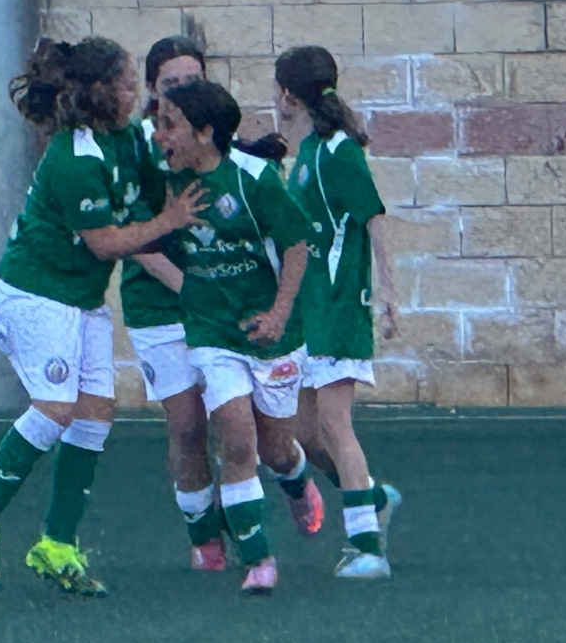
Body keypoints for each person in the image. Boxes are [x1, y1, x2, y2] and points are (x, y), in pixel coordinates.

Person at [0, 37, 208, 595]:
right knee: (57, 407)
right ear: (98, 92)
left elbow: (162, 175)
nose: (134, 92)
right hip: (35, 293)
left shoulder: (127, 140)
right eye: (125, 83)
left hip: (81, 299)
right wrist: (169, 221)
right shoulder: (73, 157)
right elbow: (105, 242)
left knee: (95, 414)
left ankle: (57, 543)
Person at [123, 36, 322, 572]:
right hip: (161, 307)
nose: (181, 91)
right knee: (191, 426)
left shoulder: (224, 154)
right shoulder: (146, 153)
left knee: (267, 441)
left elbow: (293, 240)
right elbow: (133, 238)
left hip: (231, 305)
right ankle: (208, 540)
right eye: (171, 84)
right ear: (151, 89)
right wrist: (190, 288)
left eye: (193, 81)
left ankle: (292, 478)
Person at [274, 45, 402, 580]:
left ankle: (368, 548)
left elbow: (373, 217)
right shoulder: (306, 151)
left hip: (339, 305)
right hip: (309, 308)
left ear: (287, 95)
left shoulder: (339, 152)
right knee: (304, 435)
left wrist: (388, 291)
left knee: (334, 423)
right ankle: (372, 498)